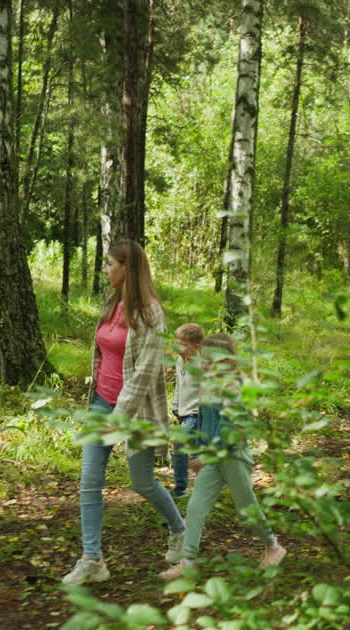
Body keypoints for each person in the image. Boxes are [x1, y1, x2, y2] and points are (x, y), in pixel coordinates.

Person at [63, 242, 187, 586]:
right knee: (89, 483)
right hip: (101, 404)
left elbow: (147, 371)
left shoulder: (151, 313)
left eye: (109, 264)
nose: (105, 270)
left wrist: (120, 415)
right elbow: (103, 354)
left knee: (142, 483)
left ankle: (180, 529)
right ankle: (92, 560)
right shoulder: (112, 303)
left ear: (126, 268)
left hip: (135, 413)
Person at [159, 334, 286, 580]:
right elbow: (205, 421)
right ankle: (188, 563)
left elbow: (236, 429)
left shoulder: (237, 385)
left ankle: (273, 546)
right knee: (196, 508)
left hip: (233, 457)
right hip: (211, 458)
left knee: (246, 508)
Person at [171, 323, 205, 497]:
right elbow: (179, 385)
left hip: (196, 412)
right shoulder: (180, 360)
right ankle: (205, 484)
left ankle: (180, 487)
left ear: (196, 347)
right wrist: (175, 406)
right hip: (183, 411)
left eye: (183, 345)